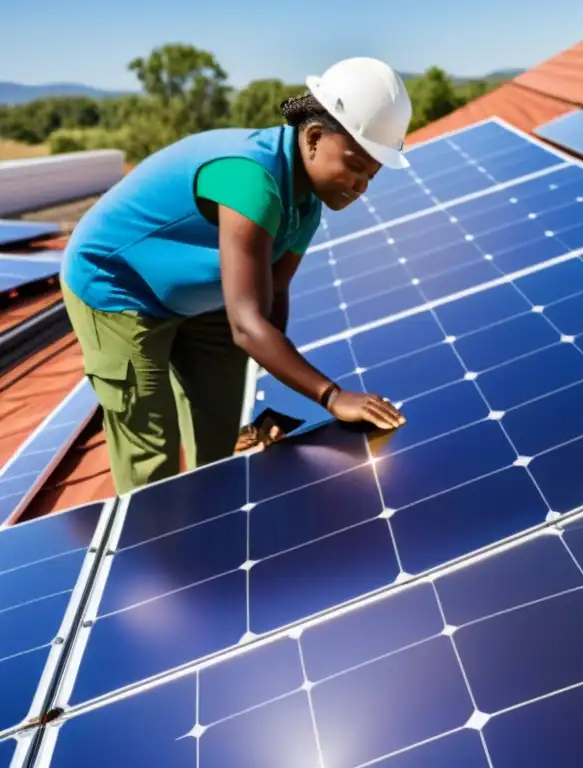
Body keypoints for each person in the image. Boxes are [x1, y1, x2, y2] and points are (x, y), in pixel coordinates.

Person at [60, 57, 410, 496]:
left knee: (219, 429)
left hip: (202, 294)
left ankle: (212, 531)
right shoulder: (253, 181)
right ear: (316, 137)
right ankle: (155, 548)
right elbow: (247, 326)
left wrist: (282, 392)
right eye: (356, 166)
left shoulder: (307, 205)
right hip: (118, 286)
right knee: (150, 448)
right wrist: (330, 396)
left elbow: (274, 291)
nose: (360, 187)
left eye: (371, 176)